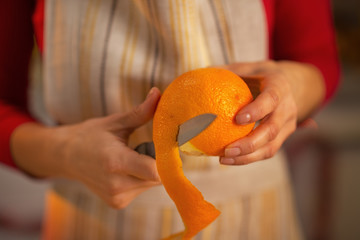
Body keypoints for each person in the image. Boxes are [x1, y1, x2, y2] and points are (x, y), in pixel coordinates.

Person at [0, 0, 339, 239]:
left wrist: (292, 87)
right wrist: (65, 153)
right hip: (89, 220)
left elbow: (318, 61)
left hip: (255, 217)